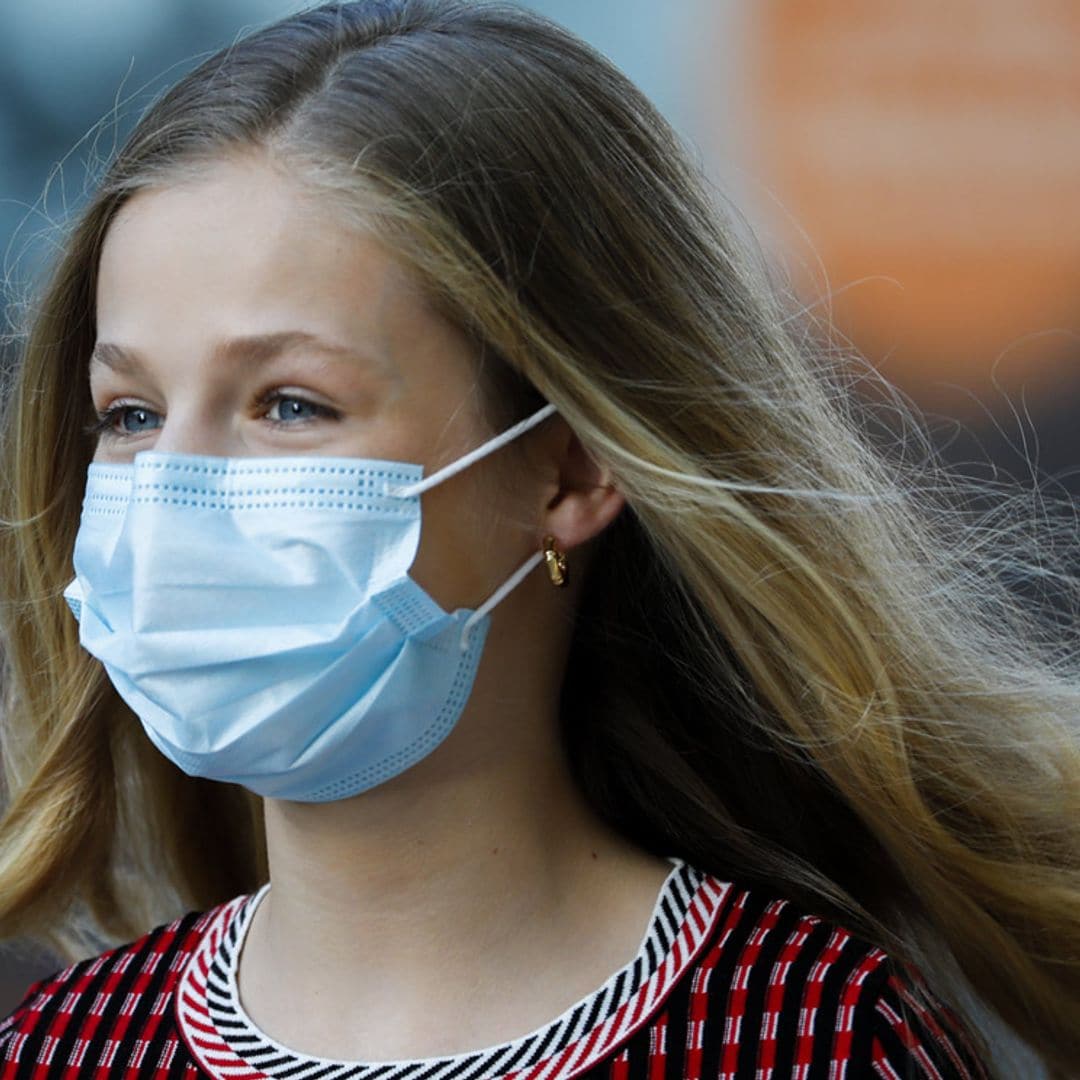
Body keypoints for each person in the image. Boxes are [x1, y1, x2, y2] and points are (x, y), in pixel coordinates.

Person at [0, 1, 1076, 1076]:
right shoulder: (58, 1053)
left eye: (290, 404)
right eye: (130, 415)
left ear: (568, 468)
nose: (175, 490)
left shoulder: (820, 1040)